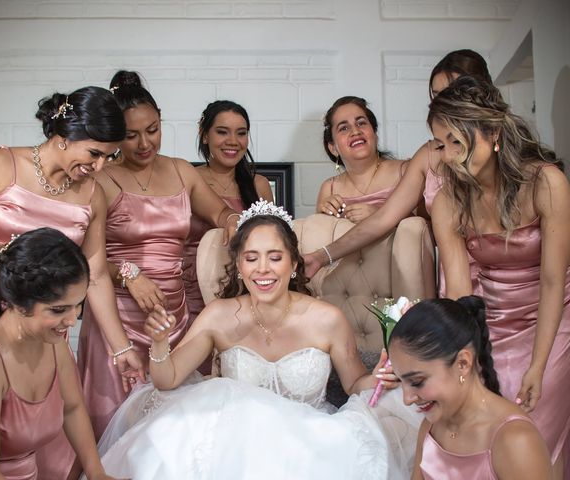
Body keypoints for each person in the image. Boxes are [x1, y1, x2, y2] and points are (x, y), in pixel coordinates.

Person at [92, 200, 421, 480]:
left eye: (275, 257)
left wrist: (378, 376)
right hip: (234, 447)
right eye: (251, 258)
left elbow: (353, 384)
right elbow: (167, 381)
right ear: (238, 265)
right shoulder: (219, 315)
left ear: (293, 264)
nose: (263, 270)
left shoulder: (326, 319)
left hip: (308, 445)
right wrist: (160, 345)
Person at [0, 86, 144, 479]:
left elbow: (97, 274)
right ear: (65, 135)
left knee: (54, 439)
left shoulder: (93, 195)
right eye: (94, 154)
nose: (100, 168)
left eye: (109, 157)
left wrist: (122, 349)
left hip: (44, 329)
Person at [77, 71, 242, 440]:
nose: (143, 143)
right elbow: (87, 258)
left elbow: (220, 213)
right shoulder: (101, 180)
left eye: (152, 129)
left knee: (175, 431)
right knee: (117, 428)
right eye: (131, 135)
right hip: (117, 315)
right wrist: (129, 274)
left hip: (173, 315)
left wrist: (233, 222)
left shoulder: (182, 171)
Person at [428, 75, 569, 478]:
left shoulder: (547, 183)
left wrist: (539, 365)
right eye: (441, 145)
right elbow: (459, 294)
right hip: (490, 323)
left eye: (458, 141)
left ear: (491, 132)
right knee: (481, 412)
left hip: (553, 318)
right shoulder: (447, 202)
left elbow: (553, 282)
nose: (450, 156)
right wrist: (463, 367)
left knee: (533, 419)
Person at [0, 228, 120, 480]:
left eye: (78, 306)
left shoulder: (54, 345)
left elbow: (72, 409)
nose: (72, 320)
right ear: (18, 303)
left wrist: (97, 473)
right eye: (59, 310)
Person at [304, 49, 492, 296]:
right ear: (332, 146)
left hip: (521, 290)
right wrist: (321, 255)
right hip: (457, 288)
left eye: (452, 92)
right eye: (436, 96)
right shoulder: (428, 156)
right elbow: (383, 220)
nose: (442, 104)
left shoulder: (529, 171)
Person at [389, 296, 552, 480]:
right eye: (401, 381)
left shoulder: (516, 441)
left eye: (417, 381)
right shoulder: (431, 427)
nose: (407, 399)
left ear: (463, 363)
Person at [183, 100, 273, 325]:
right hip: (187, 294)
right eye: (222, 132)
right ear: (205, 135)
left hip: (242, 294)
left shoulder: (258, 185)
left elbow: (273, 245)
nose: (233, 141)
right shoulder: (188, 180)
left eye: (241, 133)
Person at [316, 96, 406, 223]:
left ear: (375, 135)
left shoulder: (405, 171)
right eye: (344, 128)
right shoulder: (329, 188)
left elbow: (424, 224)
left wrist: (379, 215)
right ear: (333, 148)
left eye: (361, 123)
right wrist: (322, 217)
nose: (355, 131)